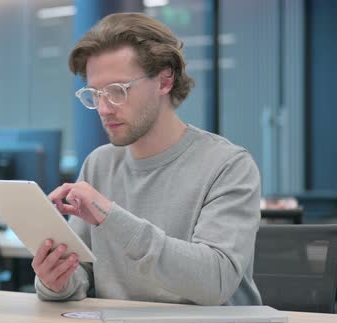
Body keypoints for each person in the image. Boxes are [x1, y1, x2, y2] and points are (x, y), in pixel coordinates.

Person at [32, 12, 262, 306]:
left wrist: (110, 216)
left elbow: (214, 283)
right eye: (95, 94)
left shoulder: (228, 165)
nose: (103, 108)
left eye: (117, 91)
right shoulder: (99, 164)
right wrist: (57, 280)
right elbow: (82, 273)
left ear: (165, 80)